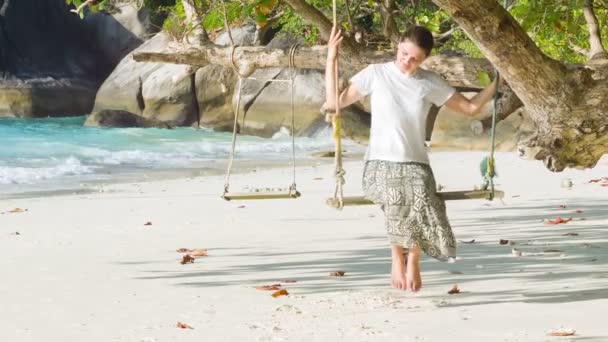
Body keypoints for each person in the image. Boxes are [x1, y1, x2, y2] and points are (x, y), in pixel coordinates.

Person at [324, 25, 499, 291]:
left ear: (425, 58)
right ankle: (397, 256)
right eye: (404, 53)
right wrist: (331, 59)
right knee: (397, 198)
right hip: (379, 162)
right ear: (398, 46)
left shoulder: (429, 82)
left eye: (414, 58)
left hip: (416, 161)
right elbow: (334, 104)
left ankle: (413, 257)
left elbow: (471, 108)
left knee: (422, 199)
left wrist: (499, 80)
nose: (407, 61)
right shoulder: (376, 74)